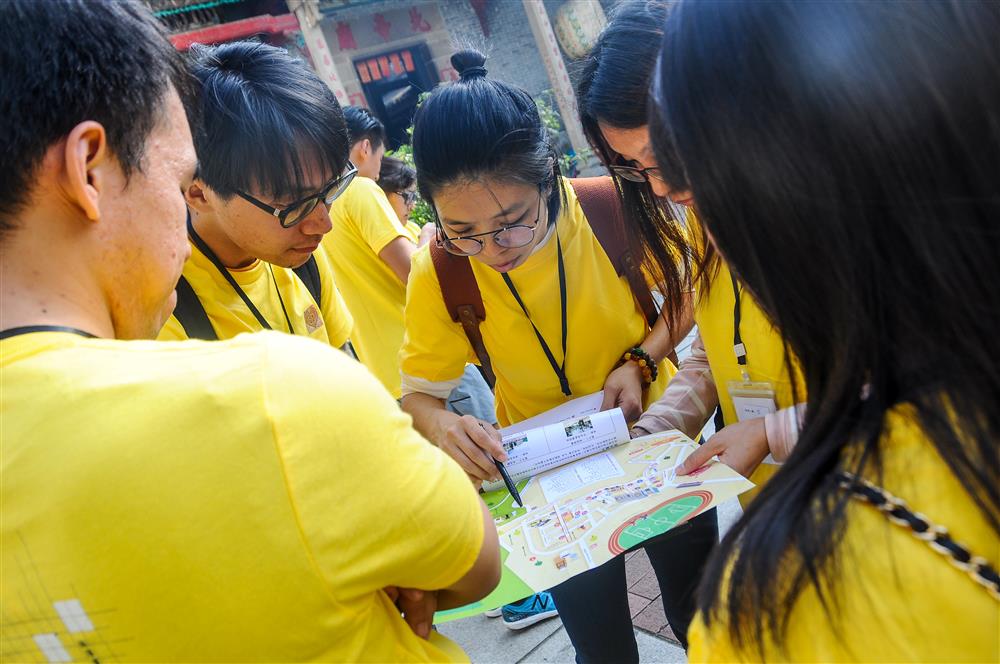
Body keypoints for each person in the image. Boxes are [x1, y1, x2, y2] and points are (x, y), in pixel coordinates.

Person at [0, 1, 499, 661]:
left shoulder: (302, 272)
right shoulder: (252, 379)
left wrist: (423, 420)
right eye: (176, 179)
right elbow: (472, 563)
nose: (320, 222)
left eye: (333, 190)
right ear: (92, 169)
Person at [652, 0, 999, 660]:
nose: (669, 190)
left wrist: (770, 431)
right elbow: (703, 351)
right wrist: (660, 419)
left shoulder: (772, 608)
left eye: (693, 187)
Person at [399, 50, 709, 653]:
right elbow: (418, 397)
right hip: (544, 482)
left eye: (513, 220)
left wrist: (642, 359)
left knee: (701, 614)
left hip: (655, 437)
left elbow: (686, 295)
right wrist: (444, 426)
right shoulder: (438, 269)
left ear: (549, 178)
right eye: (464, 232)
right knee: (600, 645)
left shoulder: (611, 207)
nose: (494, 249)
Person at [576, 0, 804, 501]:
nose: (659, 188)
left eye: (664, 157)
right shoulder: (706, 213)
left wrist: (772, 433)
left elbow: (922, 386)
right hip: (777, 509)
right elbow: (713, 355)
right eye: (637, 168)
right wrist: (649, 434)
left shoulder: (828, 211)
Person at [157, 41, 355, 346]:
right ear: (198, 193)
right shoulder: (167, 312)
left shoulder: (305, 261)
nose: (323, 224)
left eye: (329, 188)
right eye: (292, 202)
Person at [322, 108, 421, 398]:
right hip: (426, 357)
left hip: (380, 376)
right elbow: (415, 274)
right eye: (381, 153)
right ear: (366, 147)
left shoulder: (322, 206)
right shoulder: (361, 189)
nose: (380, 165)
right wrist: (428, 238)